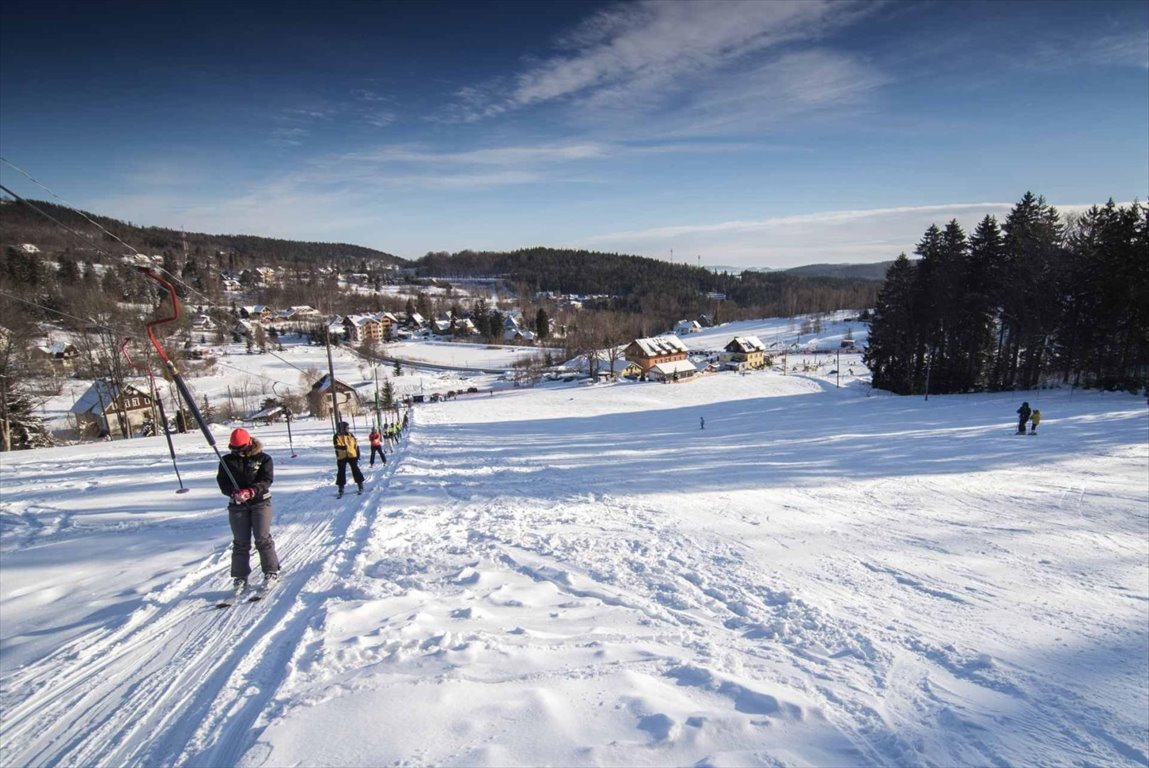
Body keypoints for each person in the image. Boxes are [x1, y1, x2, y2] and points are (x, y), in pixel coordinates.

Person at [217, 427, 279, 591]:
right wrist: (233, 492)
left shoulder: (264, 459)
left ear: (249, 443)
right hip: (237, 505)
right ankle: (240, 576)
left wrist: (251, 491)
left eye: (241, 449)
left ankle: (271, 571)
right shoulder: (226, 461)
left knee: (262, 538)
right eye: (234, 449)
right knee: (240, 542)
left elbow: (266, 480)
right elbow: (223, 483)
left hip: (260, 502)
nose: (238, 453)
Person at [333, 421, 365, 497]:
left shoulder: (350, 435)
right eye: (347, 428)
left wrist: (358, 453)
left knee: (355, 469)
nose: (348, 429)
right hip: (342, 456)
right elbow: (336, 446)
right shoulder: (337, 436)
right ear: (342, 428)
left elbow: (356, 444)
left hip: (352, 455)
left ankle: (360, 484)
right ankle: (341, 487)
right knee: (341, 471)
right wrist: (341, 447)